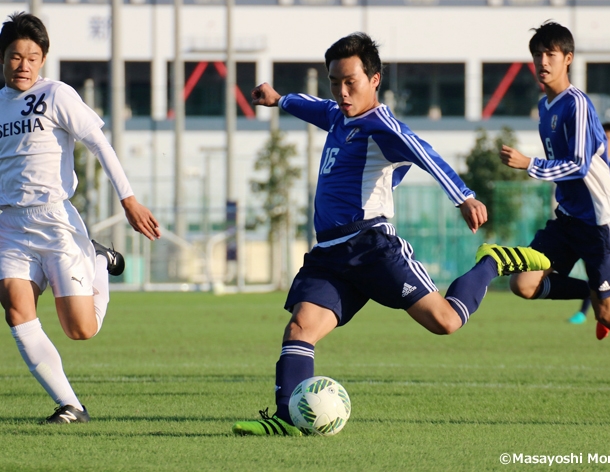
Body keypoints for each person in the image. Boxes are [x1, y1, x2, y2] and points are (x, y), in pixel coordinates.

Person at [231, 32, 549, 436]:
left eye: (351, 82)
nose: (342, 92)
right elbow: (315, 107)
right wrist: (279, 99)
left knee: (446, 322)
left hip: (371, 248)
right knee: (300, 329)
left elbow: (423, 152)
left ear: (374, 79)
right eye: (335, 82)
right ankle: (286, 418)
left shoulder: (382, 125)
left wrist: (464, 196)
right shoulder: (338, 116)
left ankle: (492, 262)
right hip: (330, 254)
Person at [0, 12, 161, 423]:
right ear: (2, 59)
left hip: (55, 221)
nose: (23, 65)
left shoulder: (56, 95)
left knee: (81, 330)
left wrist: (128, 200)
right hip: (10, 225)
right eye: (15, 56)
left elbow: (99, 144)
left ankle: (98, 261)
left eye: (32, 57)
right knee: (15, 306)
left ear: (44, 59)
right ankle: (71, 405)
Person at [499, 21, 610, 370]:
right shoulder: (545, 106)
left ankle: (600, 303)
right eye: (537, 55)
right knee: (524, 283)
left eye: (550, 54)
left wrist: (530, 164)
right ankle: (591, 294)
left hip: (600, 222)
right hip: (568, 219)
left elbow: (578, 165)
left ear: (567, 59)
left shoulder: (577, 104)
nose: (543, 62)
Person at [567, 122, 610, 331]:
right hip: (587, 221)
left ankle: (607, 311)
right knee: (594, 271)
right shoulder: (591, 161)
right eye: (603, 136)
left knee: (607, 272)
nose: (606, 141)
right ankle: (599, 311)